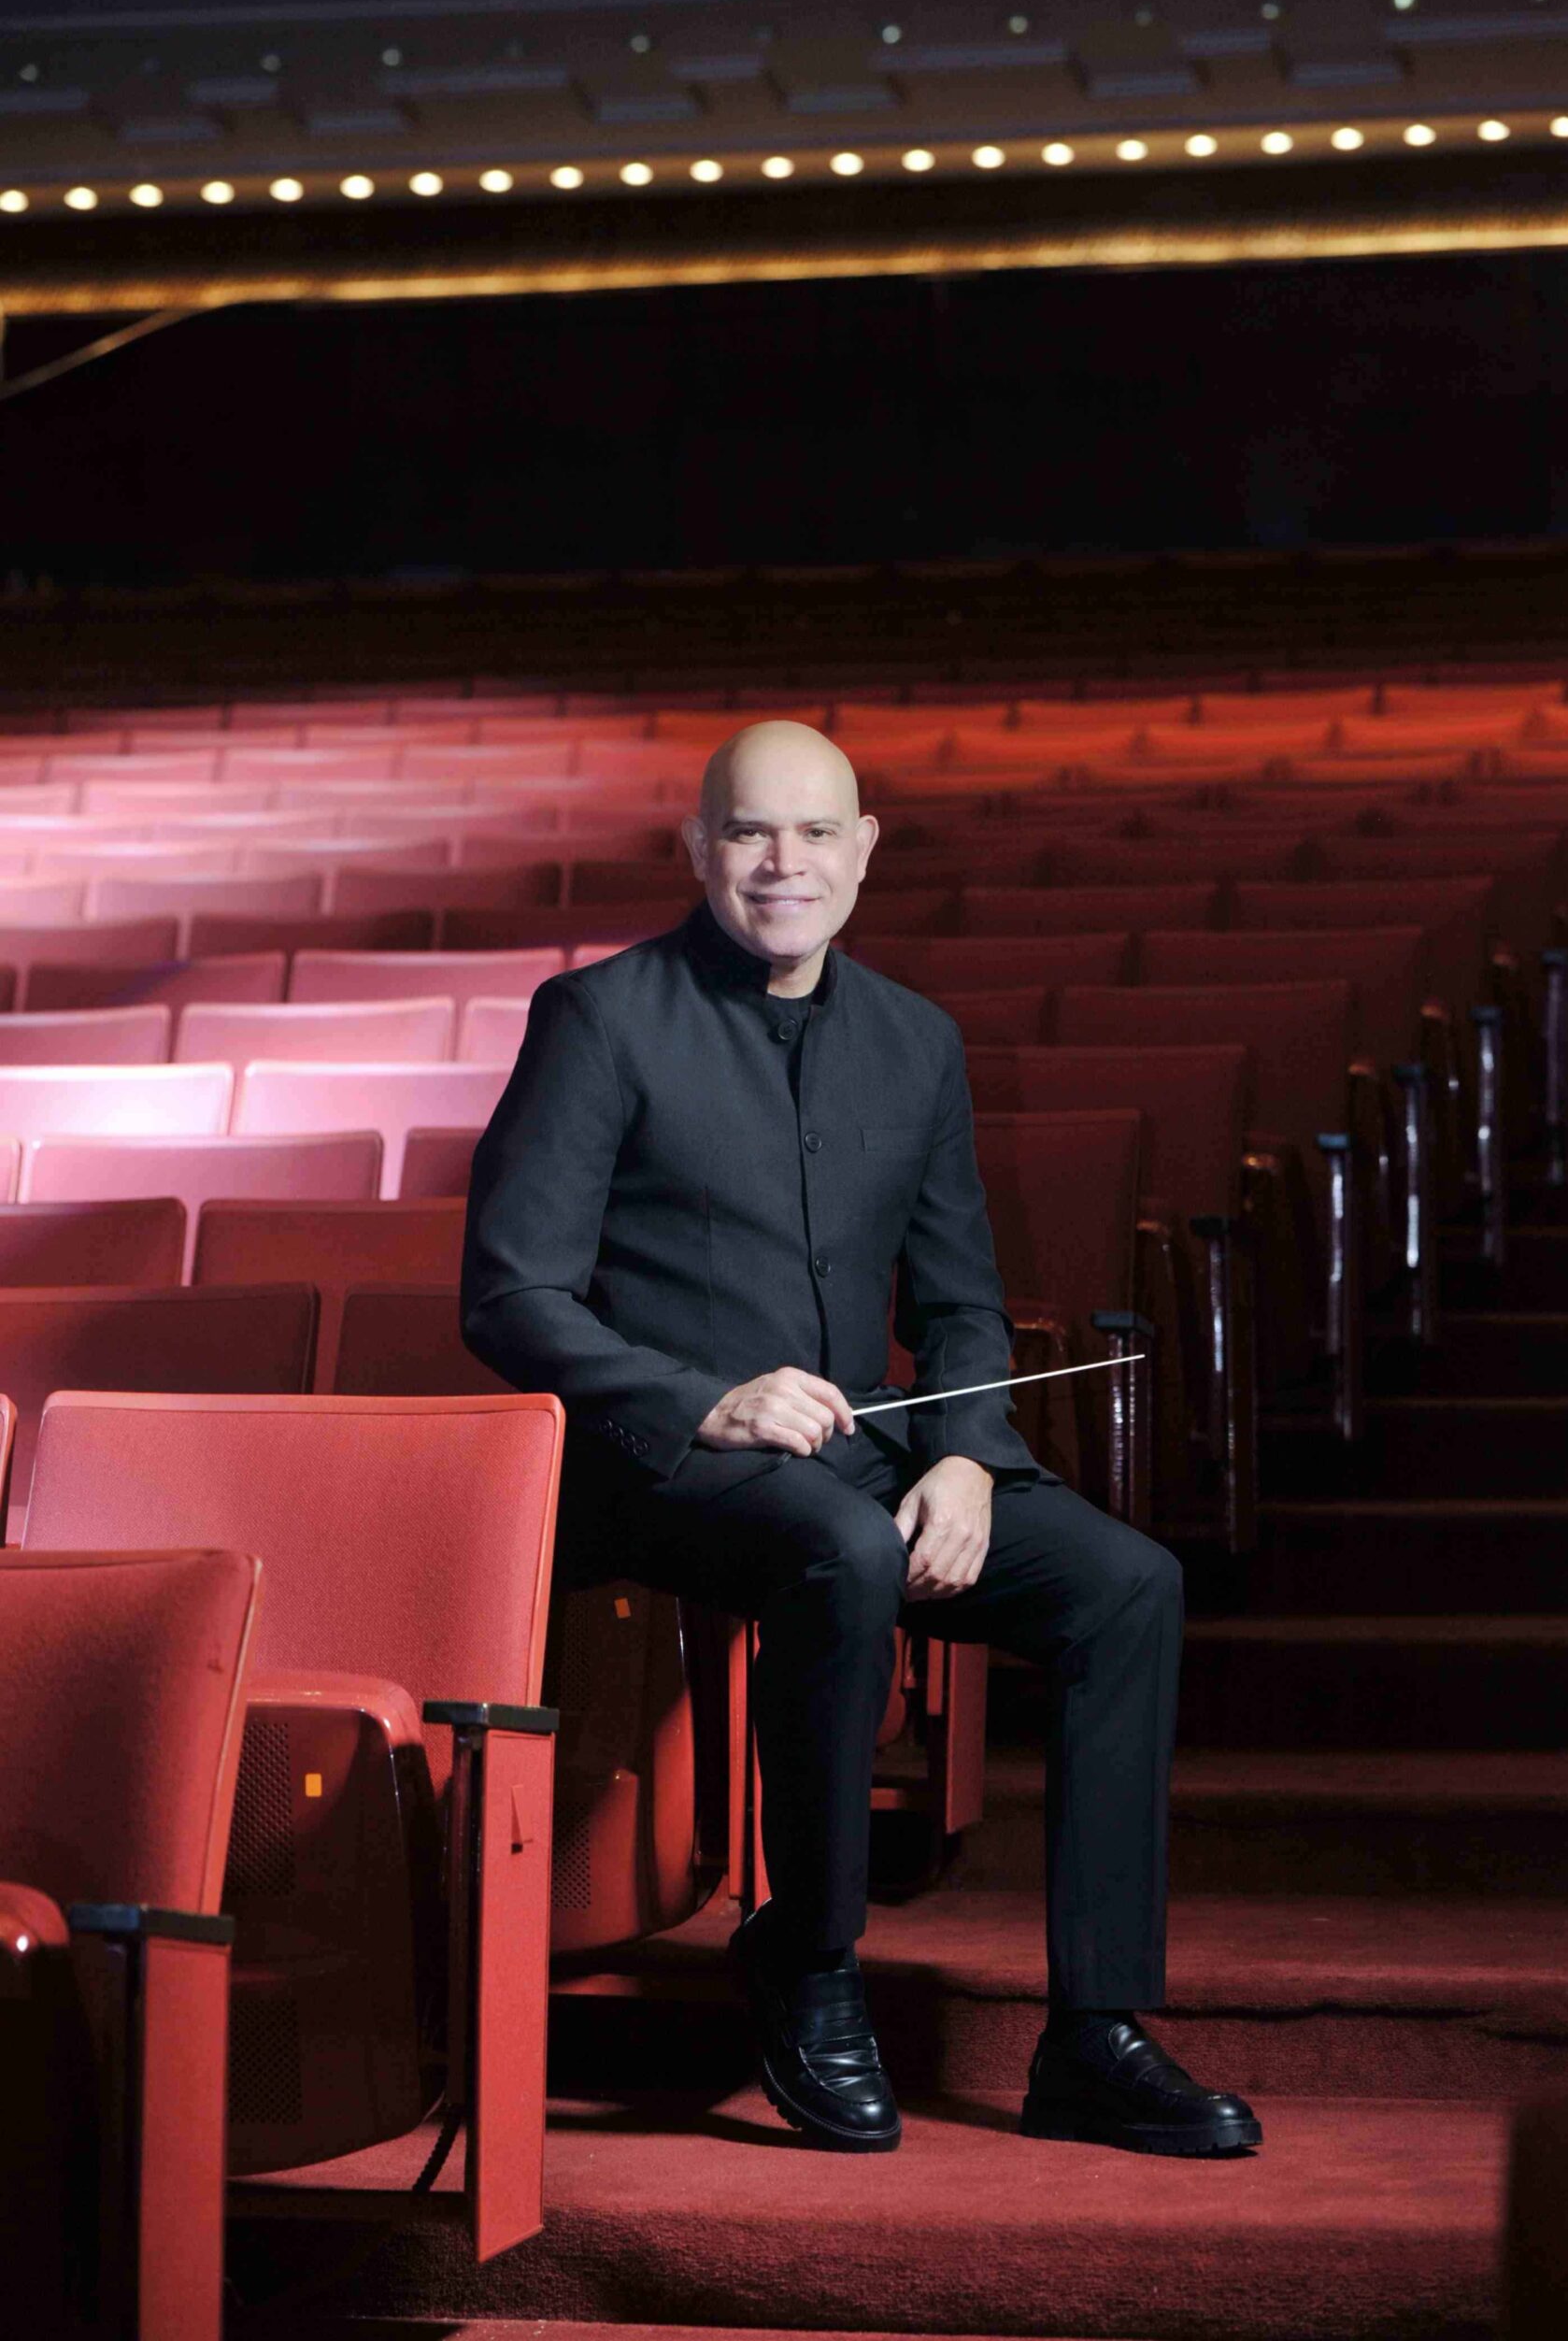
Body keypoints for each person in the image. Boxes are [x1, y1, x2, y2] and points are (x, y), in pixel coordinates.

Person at [462, 720, 1261, 2160]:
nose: (786, 863)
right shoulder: (599, 1017)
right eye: (751, 832)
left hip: (865, 1451)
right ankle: (808, 1956)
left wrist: (965, 1457)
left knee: (1128, 1585)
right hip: (660, 1462)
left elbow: (960, 1305)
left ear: (864, 850)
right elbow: (510, 1297)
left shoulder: (915, 1041)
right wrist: (704, 1399)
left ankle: (1094, 2033)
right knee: (842, 1549)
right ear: (700, 849)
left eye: (817, 832)